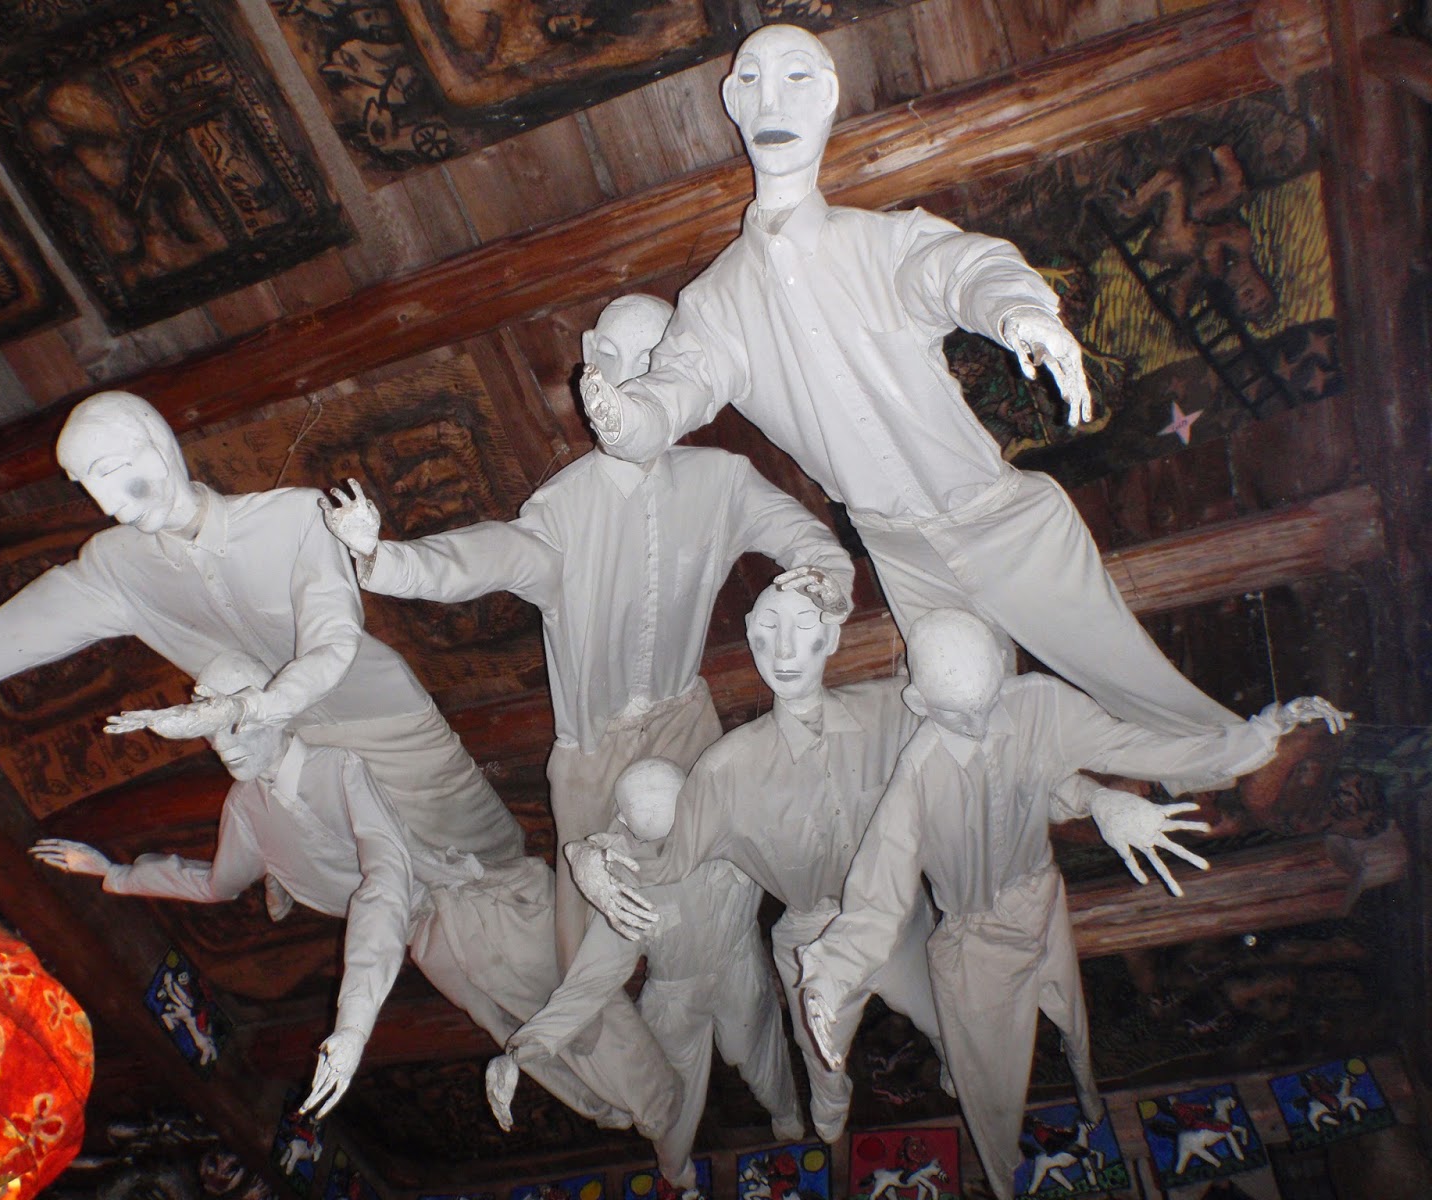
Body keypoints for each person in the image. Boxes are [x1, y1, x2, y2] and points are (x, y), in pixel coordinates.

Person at [576, 24, 1276, 786]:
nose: (772, 99)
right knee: (968, 737)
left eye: (798, 77)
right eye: (752, 80)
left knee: (1127, 670)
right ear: (730, 101)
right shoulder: (715, 304)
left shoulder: (880, 244)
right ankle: (1093, 806)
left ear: (831, 96)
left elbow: (959, 268)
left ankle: (1245, 758)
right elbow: (679, 384)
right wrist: (630, 422)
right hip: (900, 552)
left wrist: (1019, 311)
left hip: (1000, 520)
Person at [321, 293, 854, 961]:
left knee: (721, 889)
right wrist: (384, 559)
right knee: (586, 943)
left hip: (685, 721)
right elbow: (489, 554)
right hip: (592, 753)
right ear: (587, 361)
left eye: (652, 362)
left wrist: (827, 580)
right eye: (613, 359)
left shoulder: (722, 483)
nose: (630, 380)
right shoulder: (563, 510)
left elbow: (805, 538)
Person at [0, 390, 522, 863]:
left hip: (385, 719)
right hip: (293, 750)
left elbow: (332, 640)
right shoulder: (115, 568)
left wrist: (245, 709)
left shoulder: (293, 518)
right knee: (406, 882)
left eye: (111, 473)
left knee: (488, 851)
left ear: (157, 449)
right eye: (86, 487)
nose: (107, 504)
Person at [795, 609, 1348, 1198]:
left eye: (988, 699)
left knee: (1074, 1022)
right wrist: (831, 973)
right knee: (990, 1088)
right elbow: (878, 891)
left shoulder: (1039, 702)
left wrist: (1266, 736)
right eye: (958, 713)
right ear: (919, 702)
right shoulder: (916, 777)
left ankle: (1087, 1092)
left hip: (1042, 894)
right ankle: (1003, 1181)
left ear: (1003, 667)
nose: (981, 723)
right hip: (975, 940)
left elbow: (1134, 747)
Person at [30, 651, 681, 1142]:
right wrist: (116, 873)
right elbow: (215, 883)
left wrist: (353, 1025)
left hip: (478, 907)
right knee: (518, 1038)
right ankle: (617, 1113)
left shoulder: (339, 770)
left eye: (234, 718)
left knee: (584, 1015)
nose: (222, 740)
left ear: (270, 709)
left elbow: (385, 881)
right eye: (211, 722)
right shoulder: (245, 809)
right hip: (432, 945)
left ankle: (668, 1116)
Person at [563, 583, 953, 1141]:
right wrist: (585, 854)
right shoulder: (724, 770)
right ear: (749, 638)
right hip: (811, 935)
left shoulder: (890, 708)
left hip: (894, 915)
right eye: (768, 631)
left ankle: (953, 1064)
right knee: (821, 1059)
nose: (785, 651)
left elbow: (968, 693)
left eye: (803, 629)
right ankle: (830, 1106)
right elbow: (669, 860)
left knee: (946, 1020)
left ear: (831, 637)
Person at [486, 758, 802, 1187]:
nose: (667, 849)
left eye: (673, 829)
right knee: (670, 1096)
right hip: (675, 997)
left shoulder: (736, 832)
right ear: (623, 823)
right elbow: (590, 981)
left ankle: (785, 1112)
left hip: (739, 969)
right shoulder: (623, 886)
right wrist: (522, 1051)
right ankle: (675, 1167)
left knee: (761, 1054)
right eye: (650, 837)